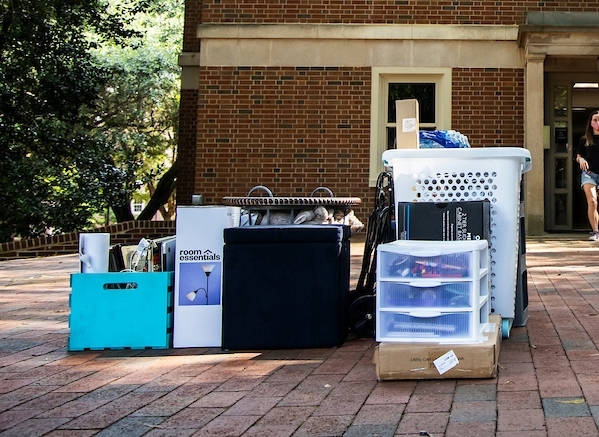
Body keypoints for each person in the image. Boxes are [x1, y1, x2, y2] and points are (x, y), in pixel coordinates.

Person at [575, 109, 599, 241]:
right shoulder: (585, 139)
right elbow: (578, 155)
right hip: (589, 174)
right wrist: (581, 159)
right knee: (592, 201)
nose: (597, 122)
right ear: (590, 123)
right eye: (595, 120)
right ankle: (595, 231)